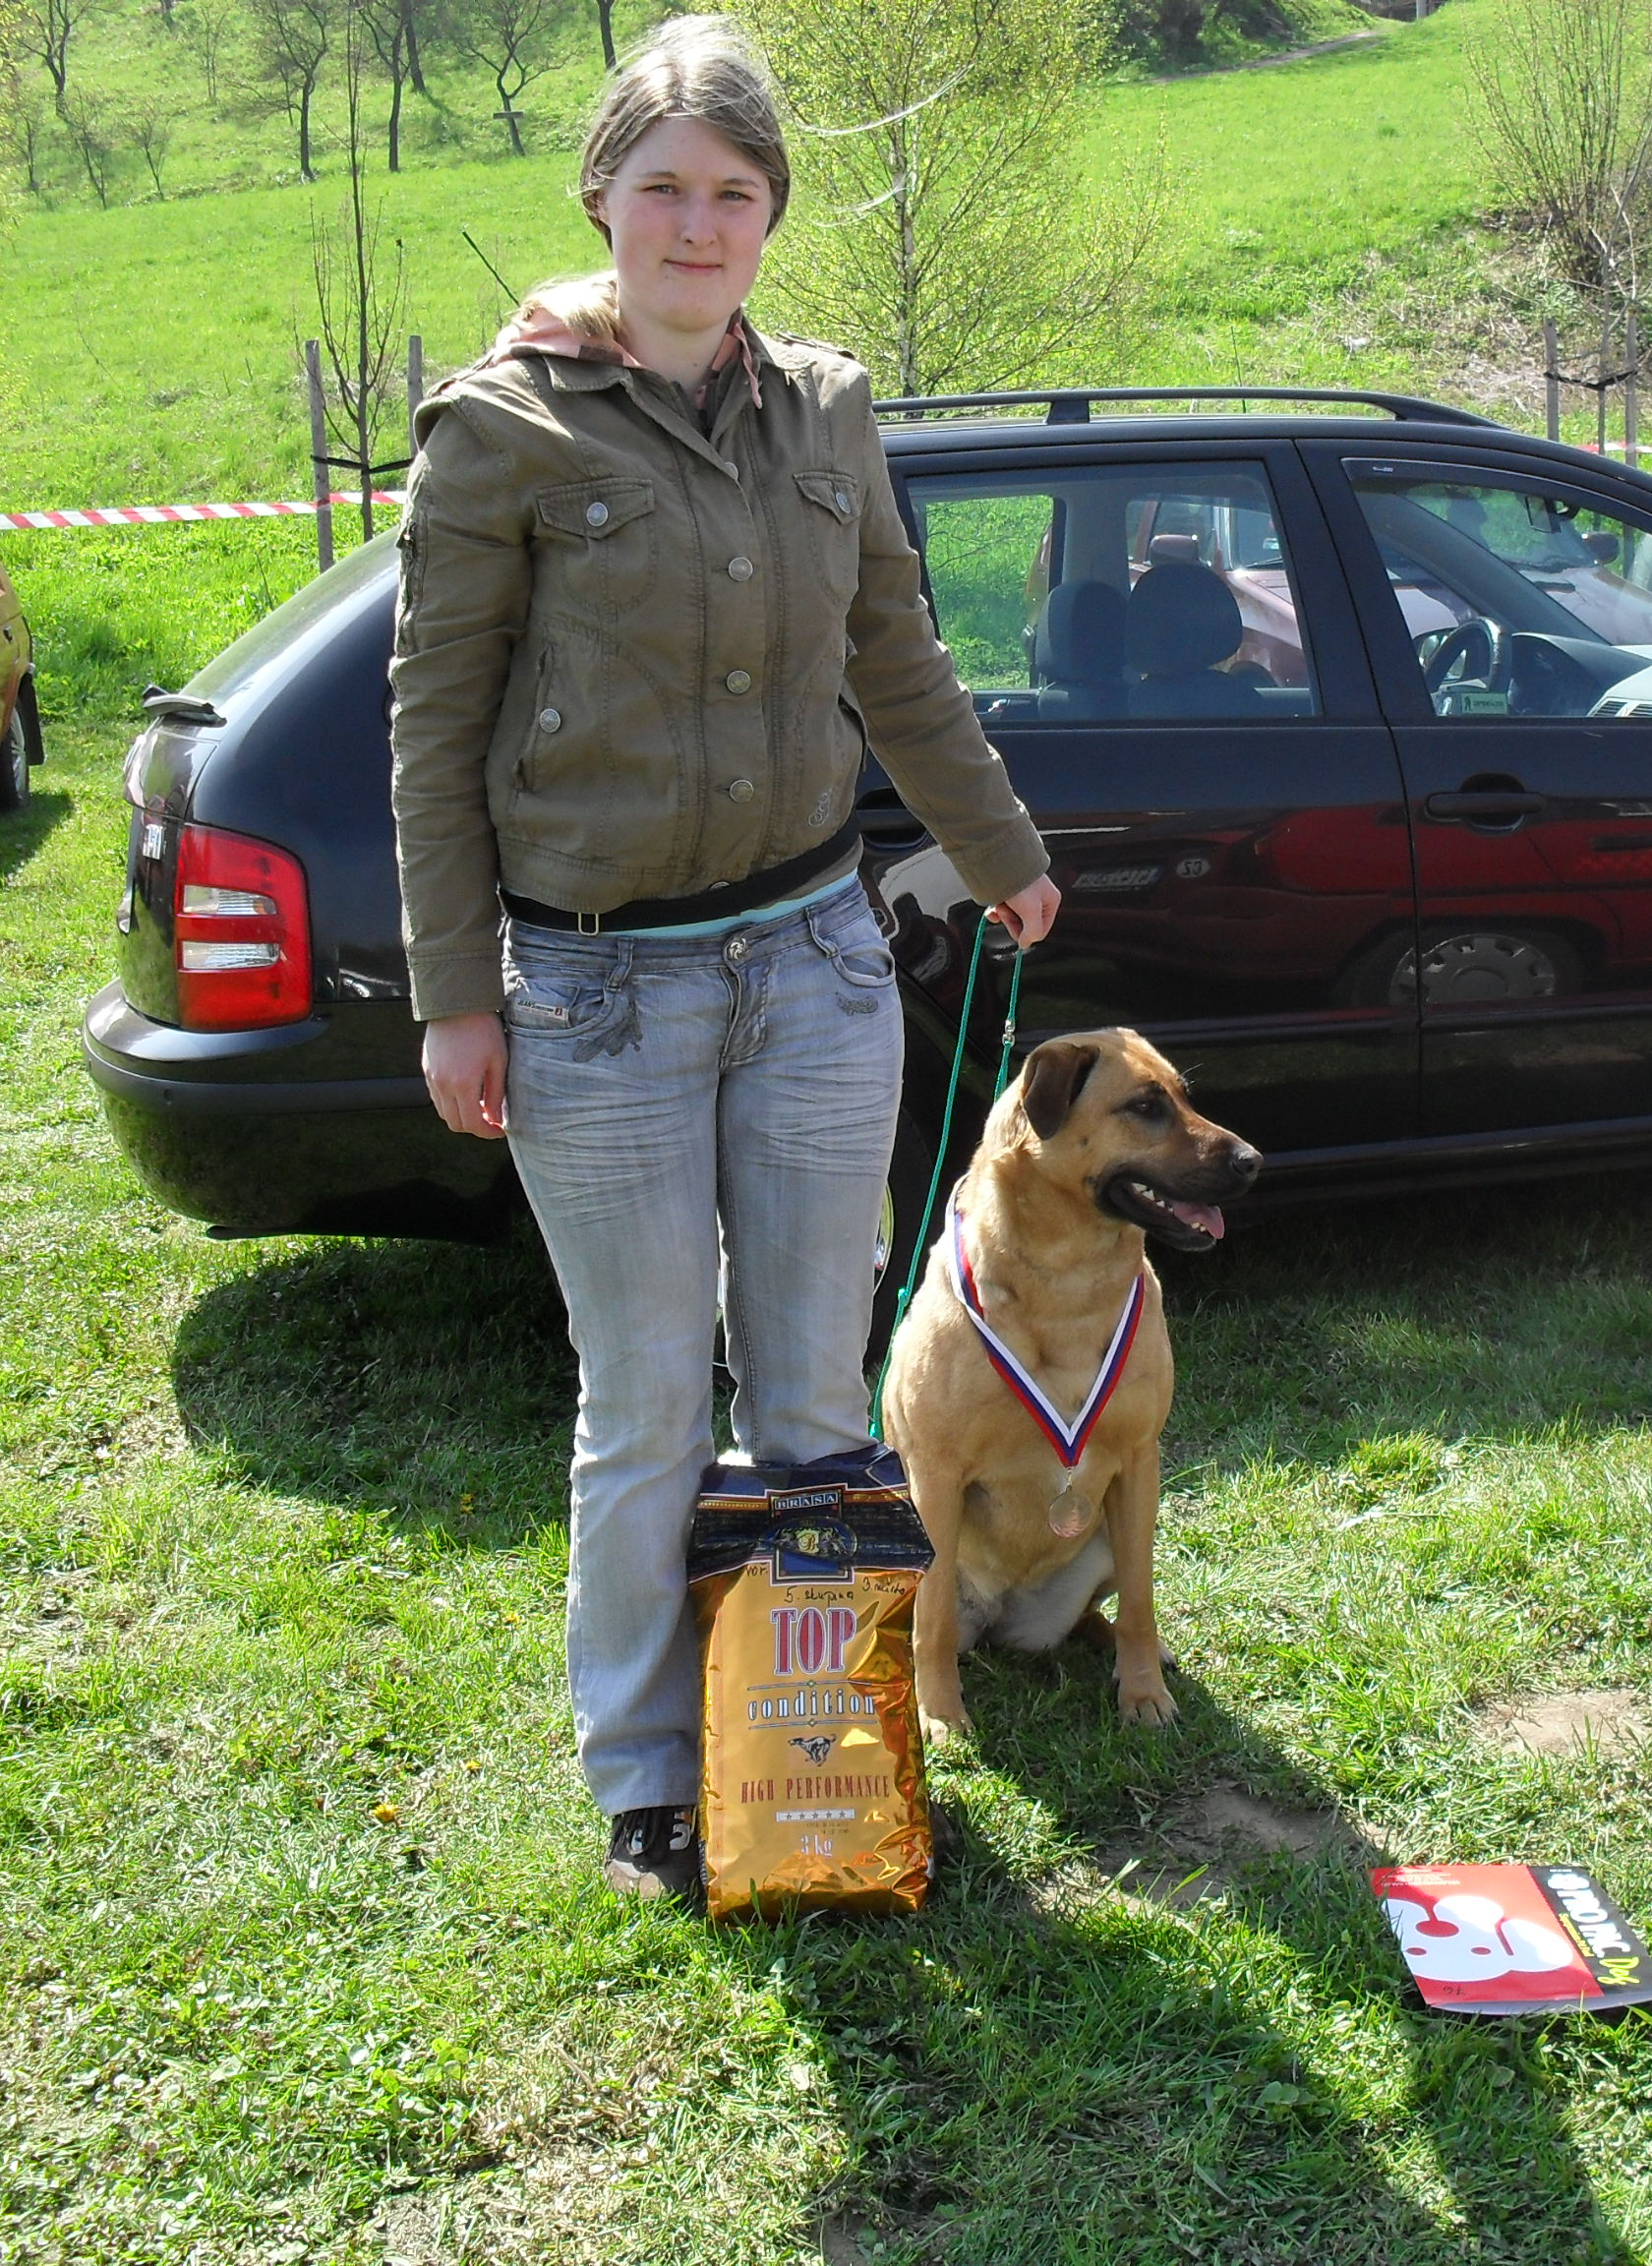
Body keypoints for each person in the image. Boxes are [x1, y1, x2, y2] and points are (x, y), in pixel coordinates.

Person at [387, 14, 1059, 1908]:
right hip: (591, 991)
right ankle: (645, 1768)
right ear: (603, 197)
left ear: (772, 217)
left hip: (814, 963)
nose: (699, 226)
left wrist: (1000, 855)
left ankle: (820, 1743)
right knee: (650, 1404)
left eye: (735, 196)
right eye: (665, 190)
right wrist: (457, 992)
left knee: (820, 1394)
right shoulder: (500, 427)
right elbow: (432, 733)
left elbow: (898, 661)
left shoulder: (830, 410)